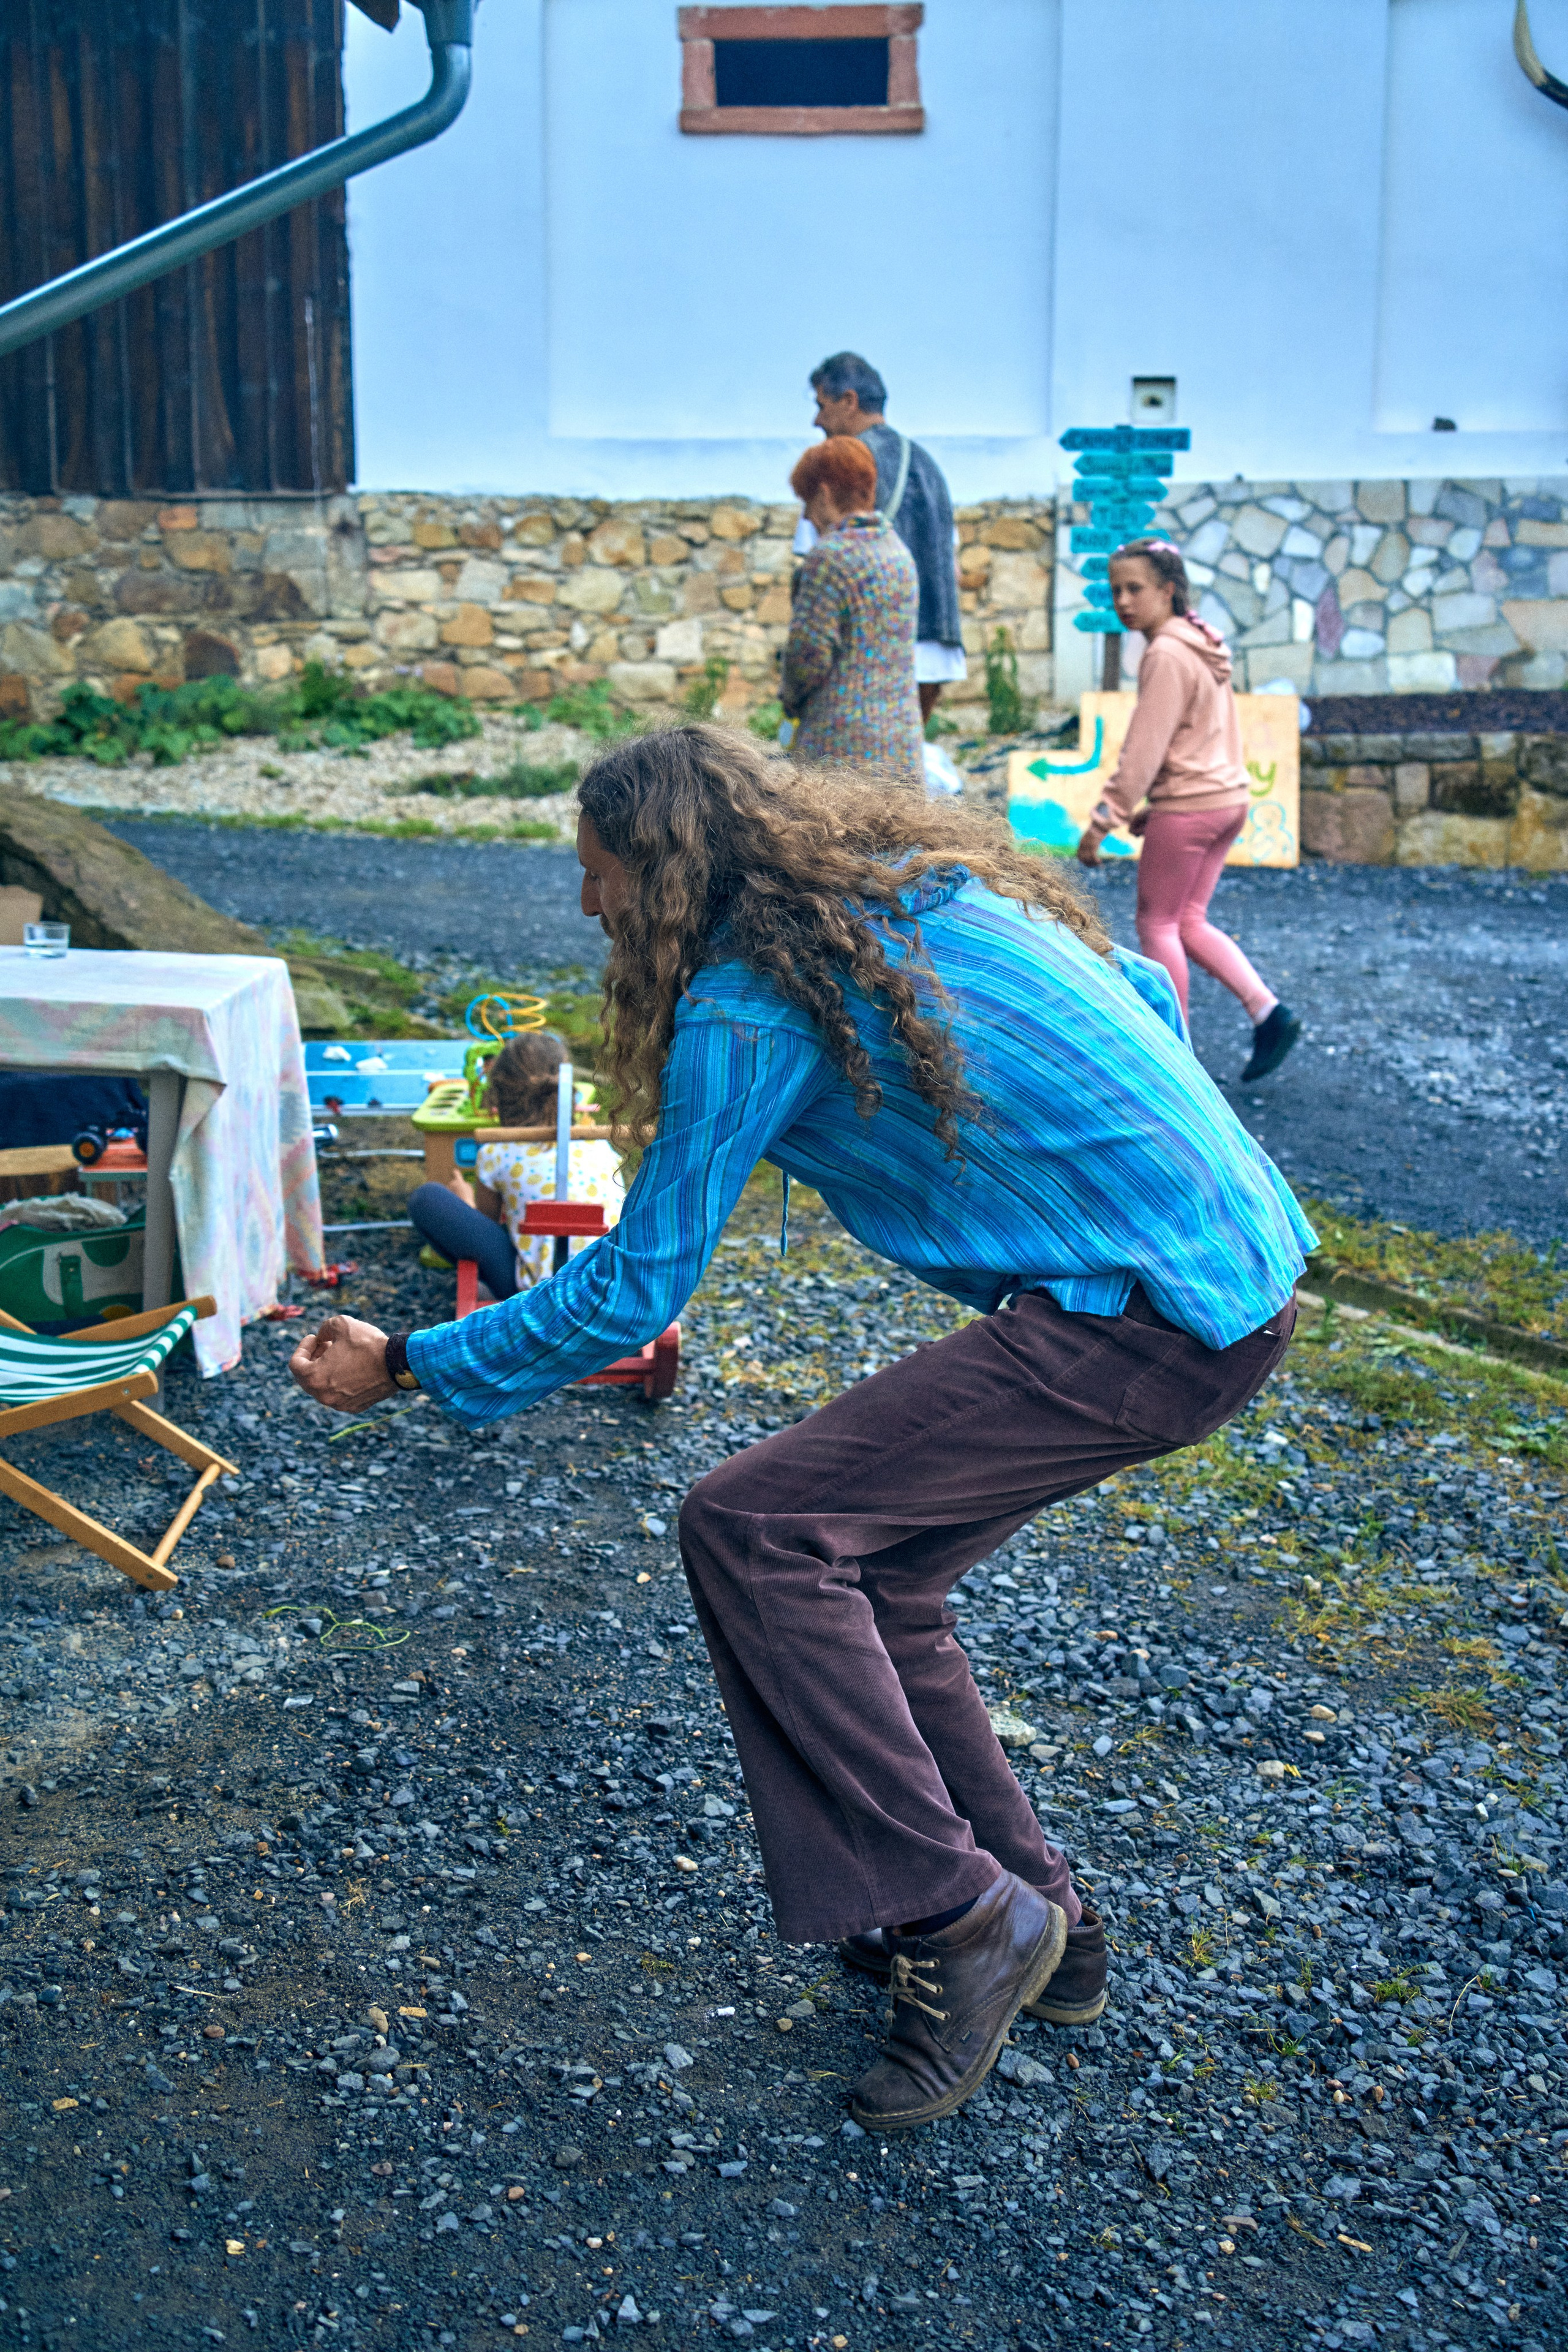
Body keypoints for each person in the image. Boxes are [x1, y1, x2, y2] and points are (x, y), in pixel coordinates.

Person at [289, 725, 1314, 2136]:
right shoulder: (913, 882)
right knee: (876, 1573)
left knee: (753, 1524)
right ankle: (1052, 1934)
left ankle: (957, 1916)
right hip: (1228, 1271)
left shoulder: (746, 1001)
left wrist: (409, 1360)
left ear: (661, 877)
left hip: (1145, 1317)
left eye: (595, 878)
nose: (586, 907)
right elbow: (1140, 977)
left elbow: (631, 1293)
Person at [1076, 540, 1302, 1085]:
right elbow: (1200, 738)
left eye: (1136, 589)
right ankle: (1270, 1014)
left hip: (1194, 806)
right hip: (1227, 801)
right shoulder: (1200, 644)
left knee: (1156, 924)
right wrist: (1164, 804)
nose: (1123, 601)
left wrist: (1106, 818)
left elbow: (1145, 749)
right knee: (1188, 920)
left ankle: (1176, 1063)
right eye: (1115, 591)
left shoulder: (1167, 654)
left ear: (1168, 591)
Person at [805, 351, 965, 724]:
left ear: (849, 401)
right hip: (935, 640)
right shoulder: (927, 464)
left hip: (871, 649)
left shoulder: (840, 466)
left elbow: (817, 561)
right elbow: (952, 569)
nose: (816, 420)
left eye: (821, 405)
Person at [406, 1031, 622, 1303]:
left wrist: (465, 1198)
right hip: (607, 1289)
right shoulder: (600, 1146)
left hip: (537, 1299)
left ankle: (498, 1295)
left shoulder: (497, 1152)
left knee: (427, 1199)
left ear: (499, 1094)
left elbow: (486, 1223)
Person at [782, 436, 923, 783]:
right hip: (901, 743)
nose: (806, 516)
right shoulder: (899, 554)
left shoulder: (829, 557)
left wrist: (789, 697)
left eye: (807, 502)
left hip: (840, 749)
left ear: (825, 493)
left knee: (834, 838)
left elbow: (808, 655)